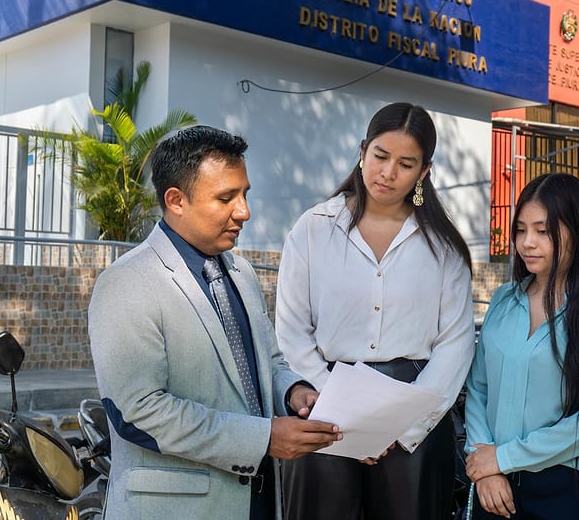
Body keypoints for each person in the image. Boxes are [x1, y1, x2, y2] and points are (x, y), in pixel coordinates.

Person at [88, 126, 342, 520]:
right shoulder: (127, 281)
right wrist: (265, 438)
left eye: (244, 194)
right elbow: (138, 411)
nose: (244, 211)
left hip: (257, 502)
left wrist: (294, 391)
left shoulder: (241, 273)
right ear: (176, 200)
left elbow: (268, 361)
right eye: (226, 197)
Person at [276, 102, 475, 520]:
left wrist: (401, 427)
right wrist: (341, 413)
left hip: (414, 413)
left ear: (424, 172)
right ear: (362, 151)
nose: (387, 173)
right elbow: (292, 333)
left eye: (405, 164)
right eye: (380, 157)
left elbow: (454, 345)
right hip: (323, 409)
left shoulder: (444, 247)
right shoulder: (313, 229)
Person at [464, 173, 579, 519]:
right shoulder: (504, 300)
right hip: (495, 482)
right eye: (520, 230)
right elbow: (478, 389)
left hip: (572, 485)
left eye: (542, 231)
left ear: (577, 231)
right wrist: (484, 463)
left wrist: (503, 459)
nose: (527, 242)